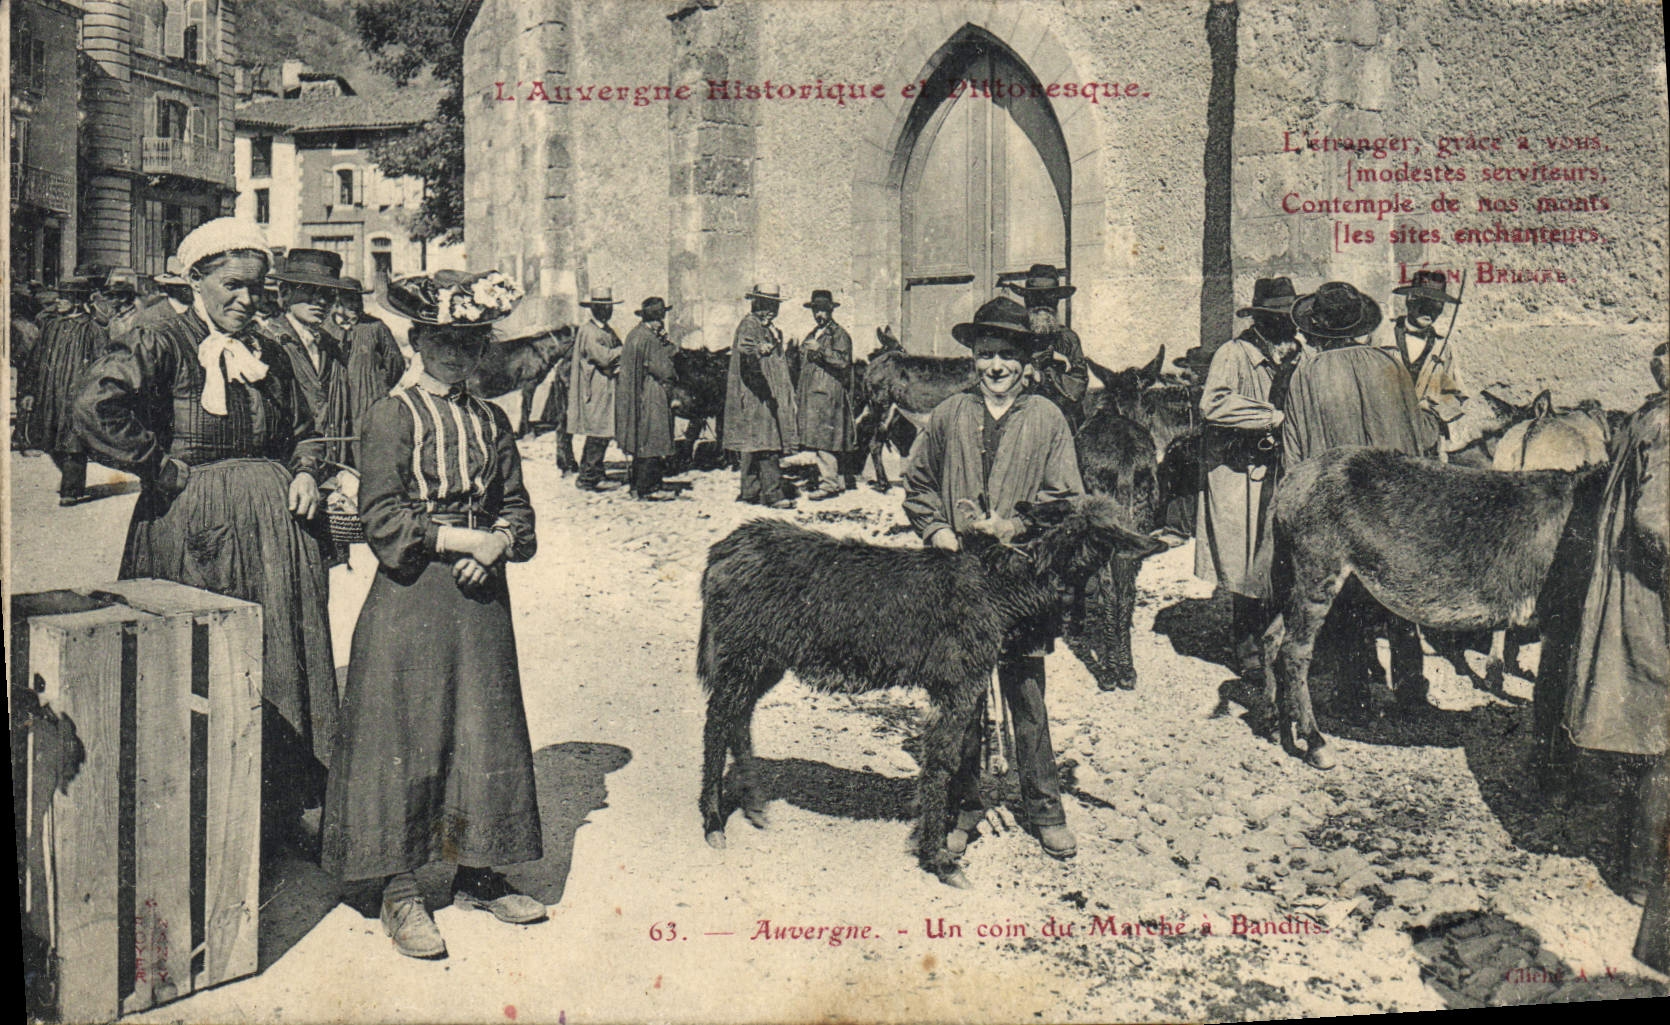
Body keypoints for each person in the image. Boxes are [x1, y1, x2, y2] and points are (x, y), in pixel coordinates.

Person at [72, 218, 337, 850]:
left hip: (276, 531)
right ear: (196, 280)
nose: (247, 299)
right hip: (196, 529)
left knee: (281, 663)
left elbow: (306, 425)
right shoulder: (160, 338)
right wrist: (158, 465)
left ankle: (278, 814)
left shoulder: (270, 349)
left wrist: (304, 472)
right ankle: (203, 820)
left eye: (257, 288)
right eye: (233, 286)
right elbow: (92, 406)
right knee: (201, 665)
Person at [320, 269, 545, 960]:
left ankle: (478, 869)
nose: (455, 353)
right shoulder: (391, 414)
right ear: (417, 340)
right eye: (442, 340)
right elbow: (381, 514)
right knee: (405, 730)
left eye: (469, 342)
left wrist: (499, 544)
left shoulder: (491, 418)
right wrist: (458, 540)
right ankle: (398, 884)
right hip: (413, 594)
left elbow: (520, 510)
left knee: (483, 726)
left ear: (482, 350)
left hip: (479, 601)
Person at [903, 296, 1084, 866]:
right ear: (972, 359)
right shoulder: (949, 415)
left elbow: (1067, 501)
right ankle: (964, 805)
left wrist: (1014, 525)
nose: (996, 367)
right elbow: (918, 484)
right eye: (986, 355)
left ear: (1027, 362)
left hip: (1021, 581)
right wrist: (937, 532)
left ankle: (1045, 807)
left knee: (1026, 691)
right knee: (963, 693)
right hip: (960, 577)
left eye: (1007, 355)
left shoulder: (1047, 419)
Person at [1559, 342, 1668, 970]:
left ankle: (1635, 867)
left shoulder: (1649, 415)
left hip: (1629, 585)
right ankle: (1643, 876)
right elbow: (1660, 522)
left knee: (1650, 729)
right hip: (1655, 595)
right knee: (1662, 735)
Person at [1281, 281, 1438, 715]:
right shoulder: (1391, 366)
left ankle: (1355, 697)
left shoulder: (1307, 375)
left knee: (1347, 604)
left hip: (1341, 508)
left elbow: (1296, 454)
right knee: (1403, 600)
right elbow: (1420, 439)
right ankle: (1412, 693)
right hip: (1397, 501)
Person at [1196, 277, 1302, 682]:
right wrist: (1270, 417)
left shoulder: (1296, 354)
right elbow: (1215, 403)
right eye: (1277, 318)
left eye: (1289, 318)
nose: (1286, 326)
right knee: (1246, 559)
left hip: (1282, 468)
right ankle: (1246, 647)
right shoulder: (1234, 353)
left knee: (1278, 553)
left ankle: (1278, 640)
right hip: (1241, 473)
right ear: (1260, 319)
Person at [259, 249, 357, 472]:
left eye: (329, 294)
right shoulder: (269, 342)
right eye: (310, 291)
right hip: (288, 468)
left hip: (330, 466)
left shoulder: (330, 346)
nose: (321, 301)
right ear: (284, 292)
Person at [21, 274, 107, 505]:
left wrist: (94, 396)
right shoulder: (51, 327)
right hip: (49, 396)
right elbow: (34, 362)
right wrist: (28, 392)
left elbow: (102, 366)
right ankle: (71, 481)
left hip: (76, 396)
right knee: (51, 442)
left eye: (63, 298)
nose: (57, 302)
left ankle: (71, 489)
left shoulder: (92, 330)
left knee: (73, 442)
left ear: (77, 301)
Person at [724, 284, 799, 508]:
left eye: (774, 305)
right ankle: (773, 495)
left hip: (760, 394)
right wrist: (759, 350)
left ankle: (750, 491)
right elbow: (746, 350)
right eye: (767, 304)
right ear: (757, 303)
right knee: (768, 444)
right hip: (757, 394)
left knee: (753, 443)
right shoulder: (750, 325)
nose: (772, 310)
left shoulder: (764, 326)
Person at [326, 278, 408, 468]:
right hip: (335, 398)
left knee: (367, 449)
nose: (355, 303)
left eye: (358, 298)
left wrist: (377, 385)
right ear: (337, 300)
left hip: (367, 399)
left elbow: (396, 362)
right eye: (349, 299)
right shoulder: (325, 327)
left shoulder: (375, 327)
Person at [1002, 263, 1091, 431]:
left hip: (1060, 420)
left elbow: (1079, 383)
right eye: (1035, 298)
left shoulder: (1068, 339)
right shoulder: (1013, 336)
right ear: (1026, 300)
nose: (1042, 304)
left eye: (1049, 298)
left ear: (1057, 300)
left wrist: (1043, 377)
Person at [1386, 270, 1467, 446]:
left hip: (1425, 439)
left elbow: (1456, 394)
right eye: (1425, 304)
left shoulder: (1443, 348)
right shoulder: (1382, 338)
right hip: (1385, 432)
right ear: (1410, 301)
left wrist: (1433, 411)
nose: (1430, 312)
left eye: (1437, 306)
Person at [794, 289, 856, 500]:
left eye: (823, 310)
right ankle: (825, 480)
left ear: (831, 311)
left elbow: (843, 361)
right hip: (812, 394)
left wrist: (820, 350)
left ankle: (830, 484)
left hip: (828, 394)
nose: (819, 314)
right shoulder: (812, 334)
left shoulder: (839, 335)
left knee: (825, 439)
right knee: (817, 438)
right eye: (816, 310)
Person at [616, 296, 680, 500]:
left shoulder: (634, 335)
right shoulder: (650, 339)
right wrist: (670, 347)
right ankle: (650, 488)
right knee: (653, 440)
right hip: (652, 394)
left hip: (637, 395)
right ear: (658, 318)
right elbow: (664, 369)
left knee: (641, 441)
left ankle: (637, 485)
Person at [568, 286, 623, 491]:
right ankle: (588, 477)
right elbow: (604, 356)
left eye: (609, 306)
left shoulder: (606, 330)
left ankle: (595, 473)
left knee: (602, 432)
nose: (607, 310)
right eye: (603, 307)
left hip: (607, 389)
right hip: (596, 391)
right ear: (594, 309)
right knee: (598, 432)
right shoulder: (589, 332)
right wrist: (624, 350)